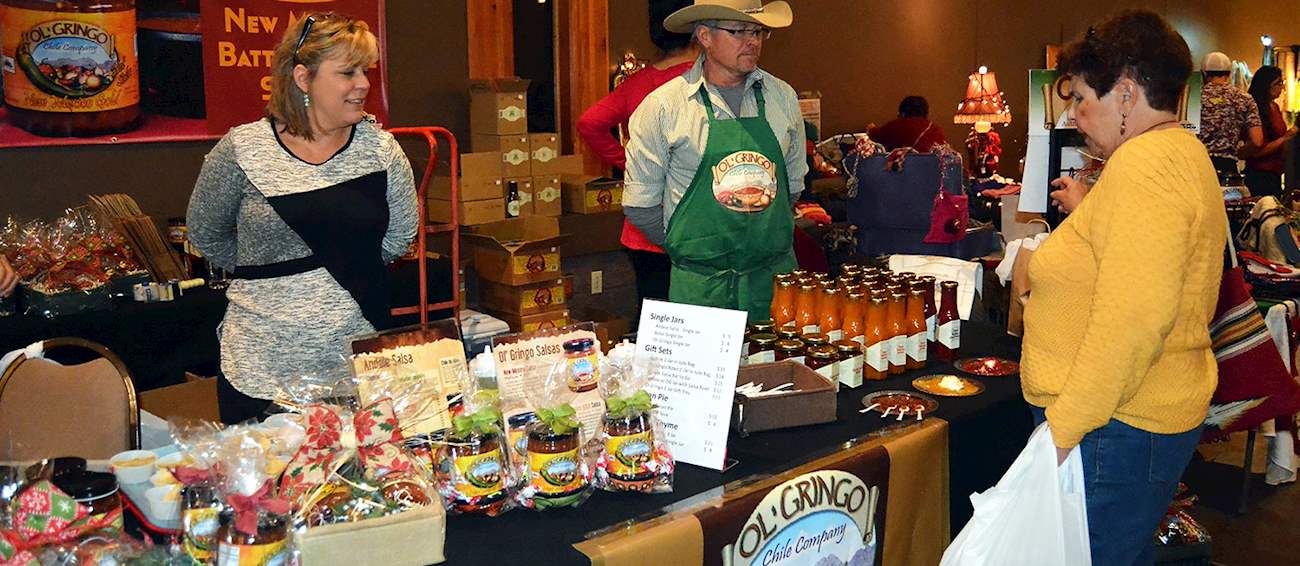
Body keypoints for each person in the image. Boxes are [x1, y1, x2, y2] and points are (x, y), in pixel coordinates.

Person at [1023, 10, 1226, 565]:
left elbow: (1133, 323)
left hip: (1113, 427)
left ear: (1129, 95)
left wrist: (1063, 432)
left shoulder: (1146, 168)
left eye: (1083, 98)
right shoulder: (1177, 154)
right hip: (1127, 422)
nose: (1073, 113)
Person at [187, 13, 417, 424]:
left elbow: (399, 236)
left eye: (365, 70)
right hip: (257, 368)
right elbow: (207, 234)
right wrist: (271, 275)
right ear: (302, 77)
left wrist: (342, 272)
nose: (363, 83)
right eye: (348, 72)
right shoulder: (243, 149)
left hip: (355, 364)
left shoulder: (382, 151)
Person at [623, 0, 805, 322]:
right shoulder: (664, 107)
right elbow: (641, 205)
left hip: (773, 282)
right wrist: (690, 249)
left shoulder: (783, 98)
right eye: (739, 31)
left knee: (778, 371)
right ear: (705, 36)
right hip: (700, 290)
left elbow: (791, 187)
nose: (753, 41)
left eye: (758, 31)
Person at [576, 0, 697, 315]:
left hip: (643, 230)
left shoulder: (637, 82)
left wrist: (630, 163)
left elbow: (588, 123)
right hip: (693, 226)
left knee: (656, 323)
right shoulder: (704, 80)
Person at [1196, 51, 1263, 176]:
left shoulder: (1194, 97)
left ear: (1204, 73)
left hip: (1197, 164)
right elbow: (1257, 141)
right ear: (1229, 73)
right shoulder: (1244, 98)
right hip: (1228, 167)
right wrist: (1236, 153)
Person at [1243, 66, 1299, 198]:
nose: (1282, 87)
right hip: (1260, 173)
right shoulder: (1255, 109)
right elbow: (1257, 150)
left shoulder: (1274, 106)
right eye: (1278, 83)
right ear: (1266, 85)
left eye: (1282, 83)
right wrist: (1285, 138)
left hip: (1276, 172)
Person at [868, 96, 948, 152]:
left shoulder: (898, 125)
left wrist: (871, 127)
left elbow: (875, 135)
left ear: (902, 113)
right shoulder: (935, 128)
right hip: (935, 172)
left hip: (908, 172)